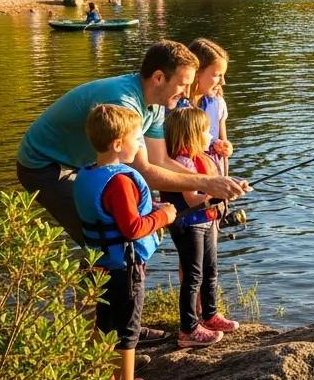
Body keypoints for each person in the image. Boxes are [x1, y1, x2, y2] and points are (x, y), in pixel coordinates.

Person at [16, 40, 247, 247]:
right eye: (183, 84)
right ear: (158, 78)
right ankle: (100, 291)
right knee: (107, 239)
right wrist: (207, 184)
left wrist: (216, 181)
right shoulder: (123, 103)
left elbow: (159, 161)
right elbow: (144, 171)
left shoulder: (157, 103)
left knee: (127, 231)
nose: (187, 93)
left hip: (83, 164)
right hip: (46, 165)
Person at [73, 104, 176, 380]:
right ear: (118, 145)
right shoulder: (119, 181)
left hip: (98, 263)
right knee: (127, 329)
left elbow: (113, 219)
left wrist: (151, 212)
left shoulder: (88, 173)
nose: (140, 144)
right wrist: (164, 216)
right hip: (123, 267)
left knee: (107, 324)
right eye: (137, 139)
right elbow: (132, 229)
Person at [163, 106, 239, 347]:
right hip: (190, 224)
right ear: (191, 135)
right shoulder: (183, 161)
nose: (210, 135)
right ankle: (188, 328)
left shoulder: (204, 155)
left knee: (211, 270)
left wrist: (233, 186)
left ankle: (210, 314)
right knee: (193, 276)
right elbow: (192, 199)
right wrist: (214, 195)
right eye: (205, 130)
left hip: (207, 222)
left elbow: (213, 184)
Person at [178, 38, 233, 171]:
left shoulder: (218, 103)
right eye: (217, 75)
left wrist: (226, 148)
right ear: (197, 73)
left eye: (223, 75)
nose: (223, 82)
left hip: (214, 179)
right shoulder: (174, 108)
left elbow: (224, 151)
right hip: (189, 185)